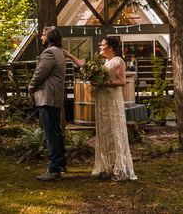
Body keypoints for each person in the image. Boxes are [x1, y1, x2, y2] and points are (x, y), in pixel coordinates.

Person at [64, 36, 137, 181]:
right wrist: (70, 56)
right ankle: (108, 167)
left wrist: (102, 82)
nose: (100, 46)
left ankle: (120, 168)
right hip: (102, 101)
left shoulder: (118, 61)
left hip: (112, 102)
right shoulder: (105, 62)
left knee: (115, 131)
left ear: (110, 47)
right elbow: (84, 66)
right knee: (106, 132)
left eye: (102, 45)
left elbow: (122, 81)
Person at [28, 26, 66, 181]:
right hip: (54, 98)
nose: (41, 37)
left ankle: (54, 170)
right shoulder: (59, 52)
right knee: (56, 133)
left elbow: (40, 74)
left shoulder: (49, 52)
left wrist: (30, 86)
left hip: (47, 97)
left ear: (50, 37)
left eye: (43, 35)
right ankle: (60, 164)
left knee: (51, 134)